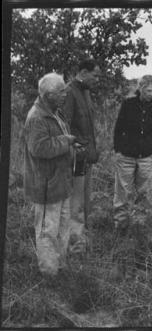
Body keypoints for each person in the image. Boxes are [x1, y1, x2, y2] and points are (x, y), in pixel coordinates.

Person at [23, 72, 84, 276]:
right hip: (46, 186)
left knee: (62, 228)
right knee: (47, 231)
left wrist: (70, 143)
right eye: (61, 92)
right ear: (49, 95)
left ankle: (60, 267)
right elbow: (39, 149)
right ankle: (49, 275)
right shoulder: (37, 117)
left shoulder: (54, 112)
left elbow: (55, 140)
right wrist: (66, 141)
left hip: (60, 184)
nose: (65, 95)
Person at [113, 75, 152, 232]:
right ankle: (120, 226)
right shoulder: (129, 104)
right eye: (148, 90)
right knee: (122, 192)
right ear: (140, 89)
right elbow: (119, 128)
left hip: (148, 156)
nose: (151, 93)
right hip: (126, 155)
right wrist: (118, 150)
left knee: (145, 193)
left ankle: (140, 226)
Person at [62, 58, 101, 251]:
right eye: (95, 75)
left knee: (85, 202)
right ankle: (75, 246)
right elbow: (64, 126)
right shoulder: (69, 92)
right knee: (75, 204)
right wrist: (74, 147)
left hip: (87, 158)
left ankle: (81, 240)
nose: (97, 80)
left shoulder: (85, 92)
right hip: (76, 158)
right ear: (84, 72)